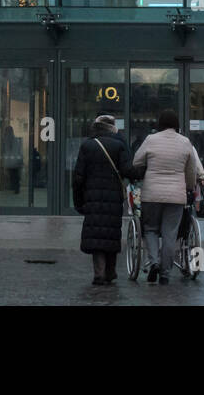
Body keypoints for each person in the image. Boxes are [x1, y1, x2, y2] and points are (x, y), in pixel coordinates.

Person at [131, 108, 204, 285]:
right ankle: (165, 272)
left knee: (150, 229)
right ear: (177, 125)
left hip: (151, 194)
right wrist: (187, 187)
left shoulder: (150, 139)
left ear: (160, 125)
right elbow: (191, 170)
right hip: (176, 196)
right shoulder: (185, 142)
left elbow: (136, 162)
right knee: (170, 234)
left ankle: (154, 261)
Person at [72, 114, 134, 286]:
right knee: (111, 233)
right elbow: (127, 170)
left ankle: (99, 273)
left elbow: (78, 177)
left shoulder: (87, 145)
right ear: (113, 128)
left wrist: (78, 201)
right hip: (113, 196)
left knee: (96, 233)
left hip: (92, 197)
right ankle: (110, 271)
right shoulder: (119, 146)